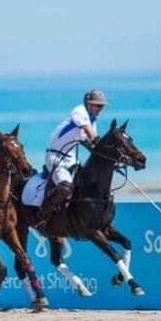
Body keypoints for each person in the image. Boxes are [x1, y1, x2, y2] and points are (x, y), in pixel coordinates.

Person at [38, 89, 108, 223]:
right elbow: (91, 135)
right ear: (89, 104)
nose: (101, 109)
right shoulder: (79, 111)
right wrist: (100, 145)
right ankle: (42, 215)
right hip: (55, 158)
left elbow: (90, 144)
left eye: (102, 106)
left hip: (71, 160)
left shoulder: (93, 120)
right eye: (98, 105)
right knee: (66, 187)